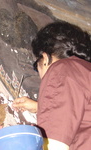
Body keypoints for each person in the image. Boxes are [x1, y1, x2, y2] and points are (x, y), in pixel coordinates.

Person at [12, 21, 91, 150]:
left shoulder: (62, 69)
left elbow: (54, 145)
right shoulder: (85, 72)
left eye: (36, 68)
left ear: (45, 58)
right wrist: (40, 107)